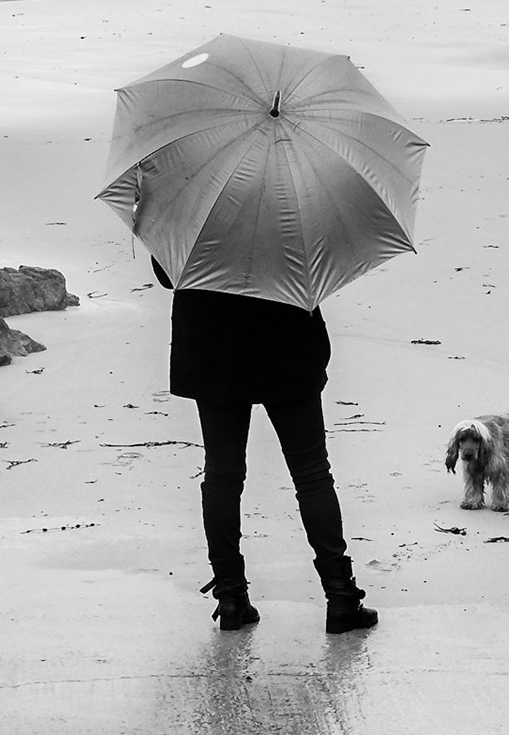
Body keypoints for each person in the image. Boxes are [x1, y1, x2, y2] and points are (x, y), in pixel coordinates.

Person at [154, 258, 376, 633]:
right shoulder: (297, 201)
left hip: (213, 344)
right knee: (312, 474)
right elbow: (319, 272)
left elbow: (166, 274)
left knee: (222, 474)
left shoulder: (189, 203)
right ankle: (340, 596)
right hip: (285, 340)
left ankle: (230, 597)